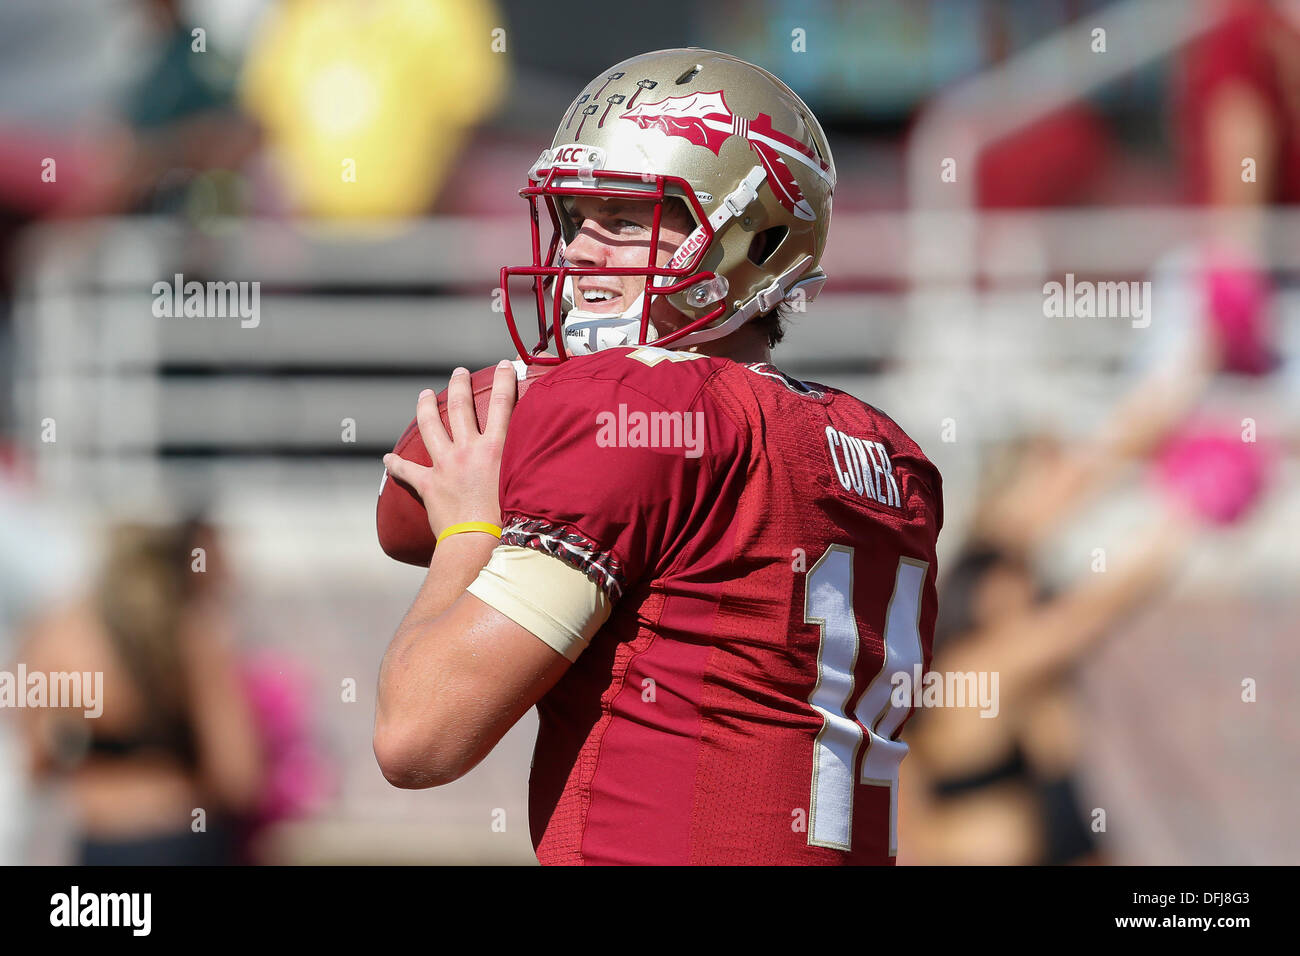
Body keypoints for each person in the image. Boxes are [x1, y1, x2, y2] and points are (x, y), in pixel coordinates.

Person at [374, 48, 943, 865]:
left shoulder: (641, 409)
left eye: (627, 217)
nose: (581, 251)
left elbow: (418, 736)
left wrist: (469, 529)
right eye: (574, 218)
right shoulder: (890, 453)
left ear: (760, 234)